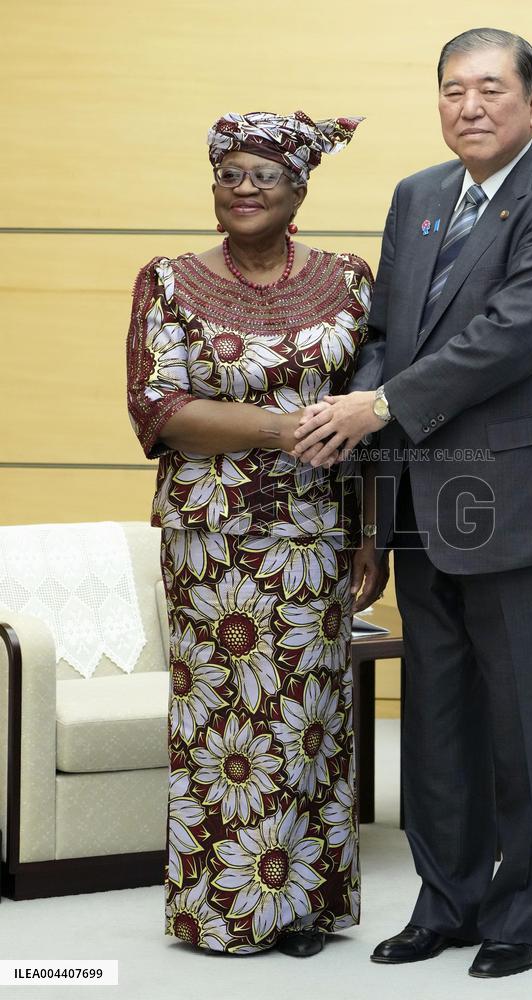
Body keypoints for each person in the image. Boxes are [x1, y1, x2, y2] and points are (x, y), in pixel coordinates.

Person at [293, 28, 532, 979]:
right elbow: (388, 333)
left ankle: (519, 915)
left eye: (490, 90)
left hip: (522, 500)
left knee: (524, 726)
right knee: (435, 721)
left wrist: (377, 404)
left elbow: (507, 339)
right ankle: (447, 900)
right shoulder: (418, 197)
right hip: (428, 501)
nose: (469, 107)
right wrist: (378, 474)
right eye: (452, 91)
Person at [126, 110, 386, 958]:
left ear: (299, 190)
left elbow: (376, 407)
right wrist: (277, 430)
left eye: (262, 175)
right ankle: (225, 910)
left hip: (319, 528)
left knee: (309, 715)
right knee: (224, 721)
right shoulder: (167, 280)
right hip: (213, 537)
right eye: (228, 174)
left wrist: (373, 533)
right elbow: (159, 408)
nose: (243, 188)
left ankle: (303, 903)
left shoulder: (350, 279)